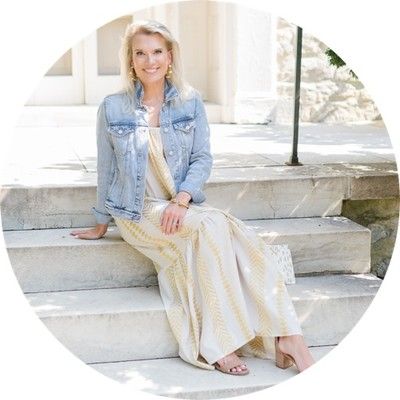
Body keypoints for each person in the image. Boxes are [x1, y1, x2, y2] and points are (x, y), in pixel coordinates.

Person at [70, 19, 315, 375]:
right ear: (130, 59)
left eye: (157, 52)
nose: (149, 60)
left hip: (180, 206)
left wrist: (182, 198)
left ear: (169, 57)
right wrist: (100, 222)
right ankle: (280, 338)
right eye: (140, 53)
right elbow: (106, 169)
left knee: (220, 230)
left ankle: (282, 337)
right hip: (137, 213)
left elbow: (202, 158)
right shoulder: (113, 107)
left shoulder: (190, 101)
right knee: (223, 228)